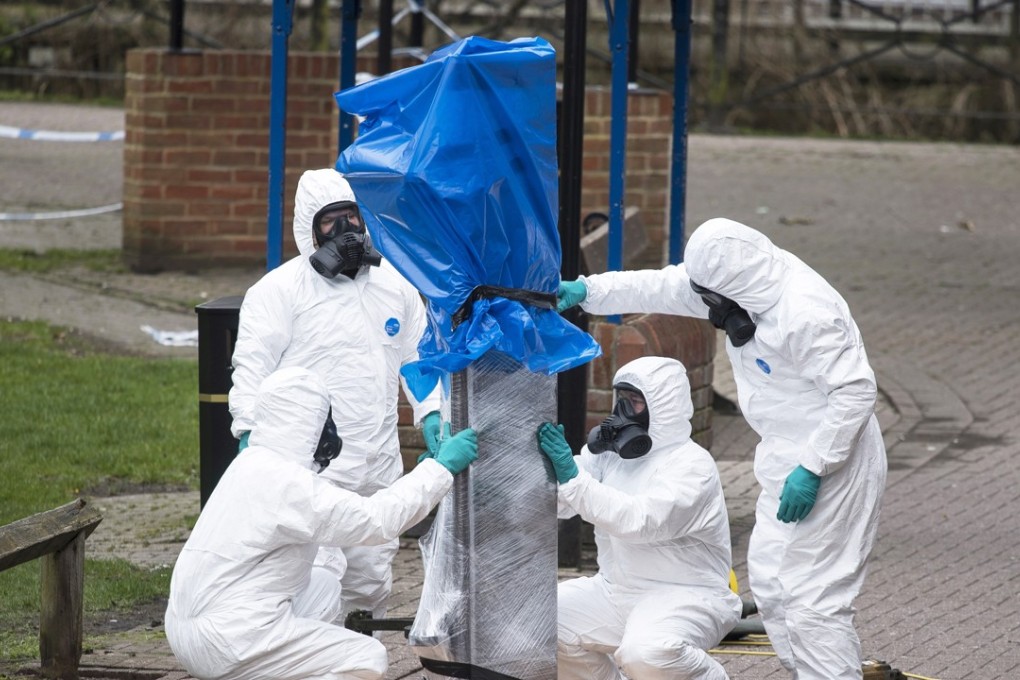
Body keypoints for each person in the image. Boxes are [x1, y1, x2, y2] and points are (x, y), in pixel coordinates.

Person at [557, 217, 887, 679]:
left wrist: (814, 466)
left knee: (813, 597)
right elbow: (661, 287)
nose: (708, 309)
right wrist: (587, 291)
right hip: (785, 453)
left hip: (835, 455)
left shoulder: (807, 312)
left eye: (713, 300)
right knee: (772, 584)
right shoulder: (734, 280)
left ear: (738, 290)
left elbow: (854, 392)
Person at [166, 366, 478, 680]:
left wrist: (420, 481)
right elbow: (376, 521)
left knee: (324, 585)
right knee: (367, 656)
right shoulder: (287, 484)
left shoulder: (249, 465)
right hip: (227, 639)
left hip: (189, 626)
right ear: (307, 423)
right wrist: (439, 469)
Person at [228, 168, 444, 621]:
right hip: (315, 470)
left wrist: (432, 415)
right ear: (309, 228)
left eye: (352, 217)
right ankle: (311, 659)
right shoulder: (277, 293)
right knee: (318, 580)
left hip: (379, 465)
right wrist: (248, 434)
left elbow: (418, 361)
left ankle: (352, 658)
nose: (345, 231)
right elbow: (251, 370)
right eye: (331, 222)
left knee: (370, 585)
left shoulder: (396, 286)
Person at [537, 356, 742, 680]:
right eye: (621, 400)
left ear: (662, 408)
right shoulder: (611, 455)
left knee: (646, 654)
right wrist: (549, 476)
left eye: (634, 402)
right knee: (540, 620)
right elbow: (567, 505)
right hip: (618, 590)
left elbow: (641, 521)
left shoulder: (692, 466)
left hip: (688, 595)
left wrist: (573, 478)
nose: (621, 413)